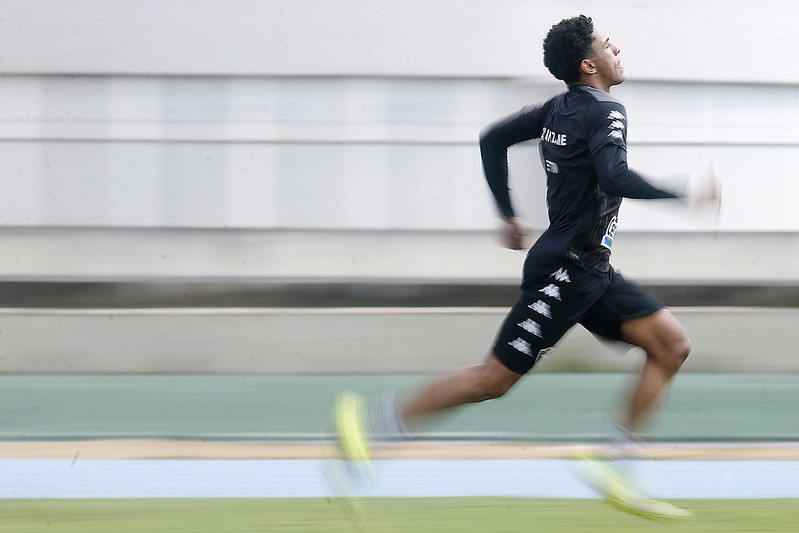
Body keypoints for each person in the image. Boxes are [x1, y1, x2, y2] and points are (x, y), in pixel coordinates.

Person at [335, 14, 715, 519]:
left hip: (591, 270)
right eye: (608, 45)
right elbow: (614, 175)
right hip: (566, 272)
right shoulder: (606, 110)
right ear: (589, 65)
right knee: (492, 380)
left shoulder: (558, 108)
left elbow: (492, 139)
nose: (616, 50)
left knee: (671, 345)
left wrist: (507, 213)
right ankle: (373, 425)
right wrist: (682, 194)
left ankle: (614, 464)